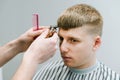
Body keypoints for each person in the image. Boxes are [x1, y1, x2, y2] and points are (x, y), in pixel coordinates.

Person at [33, 4, 120, 80]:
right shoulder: (48, 71)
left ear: (96, 43)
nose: (62, 48)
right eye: (61, 39)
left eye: (73, 40)